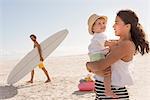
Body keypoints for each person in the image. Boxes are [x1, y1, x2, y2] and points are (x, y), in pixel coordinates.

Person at [86, 10, 149, 100]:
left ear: (127, 26)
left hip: (114, 91)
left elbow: (100, 65)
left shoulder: (126, 45)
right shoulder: (118, 42)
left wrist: (88, 65)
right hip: (102, 90)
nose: (113, 26)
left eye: (116, 23)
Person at [87, 14, 118, 98]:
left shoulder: (98, 36)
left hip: (95, 56)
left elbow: (107, 42)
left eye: (103, 23)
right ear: (93, 28)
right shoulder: (100, 35)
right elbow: (107, 43)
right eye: (99, 23)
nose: (102, 25)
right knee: (107, 73)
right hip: (98, 55)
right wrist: (119, 42)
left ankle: (97, 86)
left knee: (99, 73)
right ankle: (108, 91)